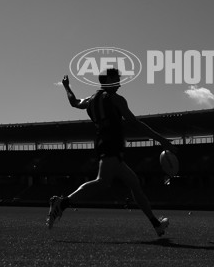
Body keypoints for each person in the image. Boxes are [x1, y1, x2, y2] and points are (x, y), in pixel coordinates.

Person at [47, 68, 177, 236]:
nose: (120, 84)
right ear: (107, 80)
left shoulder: (91, 99)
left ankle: (156, 224)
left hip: (103, 143)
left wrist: (66, 87)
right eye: (117, 79)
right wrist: (162, 140)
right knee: (103, 181)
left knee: (134, 183)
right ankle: (61, 203)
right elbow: (135, 123)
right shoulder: (116, 99)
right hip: (111, 144)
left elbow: (74, 102)